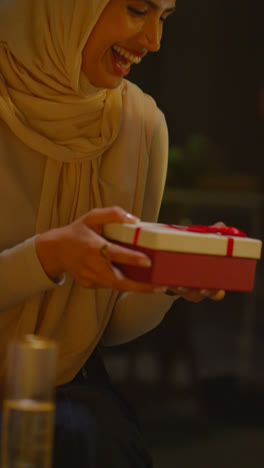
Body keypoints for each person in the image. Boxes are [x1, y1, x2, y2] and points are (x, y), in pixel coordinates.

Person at [0, 0, 225, 466]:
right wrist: (49, 255)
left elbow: (107, 324)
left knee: (97, 433)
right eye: (138, 9)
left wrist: (165, 278)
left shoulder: (142, 126)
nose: (153, 41)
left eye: (163, 17)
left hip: (64, 387)